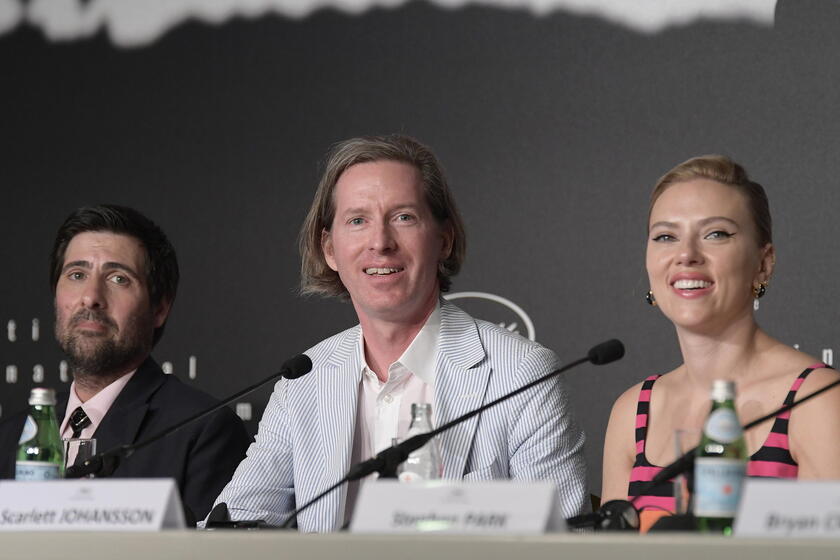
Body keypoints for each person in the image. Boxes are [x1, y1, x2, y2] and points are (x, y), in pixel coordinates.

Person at [209, 134, 588, 531]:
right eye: (358, 221)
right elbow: (231, 526)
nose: (380, 243)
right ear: (330, 250)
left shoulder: (522, 372)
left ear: (443, 239)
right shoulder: (304, 380)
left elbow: (566, 542)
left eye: (403, 217)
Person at [601, 155, 840, 515]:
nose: (686, 255)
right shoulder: (633, 410)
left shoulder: (817, 399)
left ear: (764, 263)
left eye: (716, 234)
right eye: (665, 236)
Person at [0, 205, 251, 523]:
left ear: (160, 307)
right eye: (77, 275)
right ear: (56, 295)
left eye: (118, 278)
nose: (91, 297)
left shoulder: (202, 431)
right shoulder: (10, 436)